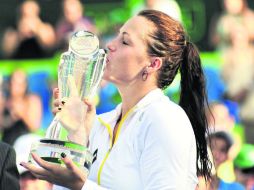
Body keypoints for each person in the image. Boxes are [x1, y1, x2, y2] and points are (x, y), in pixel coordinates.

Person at [21, 10, 212, 189]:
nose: (110, 45)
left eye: (125, 42)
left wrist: (82, 185)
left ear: (153, 64)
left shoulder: (165, 118)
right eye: (117, 36)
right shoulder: (101, 123)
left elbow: (81, 185)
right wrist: (78, 136)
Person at [0, 70, 42, 145]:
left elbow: (34, 126)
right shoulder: (4, 100)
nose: (15, 86)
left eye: (19, 84)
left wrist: (21, 112)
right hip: (7, 143)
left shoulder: (31, 100)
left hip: (25, 144)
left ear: (25, 85)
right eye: (13, 82)